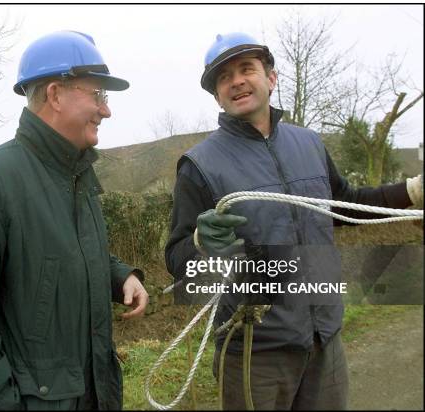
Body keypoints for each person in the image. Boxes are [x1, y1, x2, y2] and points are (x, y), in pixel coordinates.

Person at [165, 32, 423, 410]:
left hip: (325, 338)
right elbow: (178, 260)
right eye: (224, 77)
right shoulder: (200, 165)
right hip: (255, 350)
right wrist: (202, 245)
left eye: (246, 68)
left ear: (271, 78)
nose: (236, 80)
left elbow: (345, 205)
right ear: (217, 95)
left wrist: (414, 192)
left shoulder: (310, 144)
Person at [0, 30, 149, 410]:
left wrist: (119, 274)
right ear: (56, 95)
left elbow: (60, 255)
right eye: (98, 95)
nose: (106, 110)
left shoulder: (78, 176)